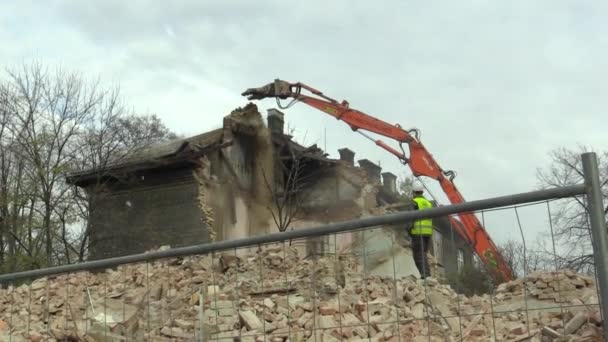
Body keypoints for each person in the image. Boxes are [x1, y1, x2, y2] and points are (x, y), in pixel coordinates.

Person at [410, 183, 433, 279]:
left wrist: (408, 230)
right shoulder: (428, 203)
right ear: (422, 192)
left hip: (418, 232)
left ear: (413, 192)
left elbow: (410, 217)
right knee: (423, 253)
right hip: (428, 233)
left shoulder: (414, 202)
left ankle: (425, 275)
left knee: (419, 254)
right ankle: (426, 274)